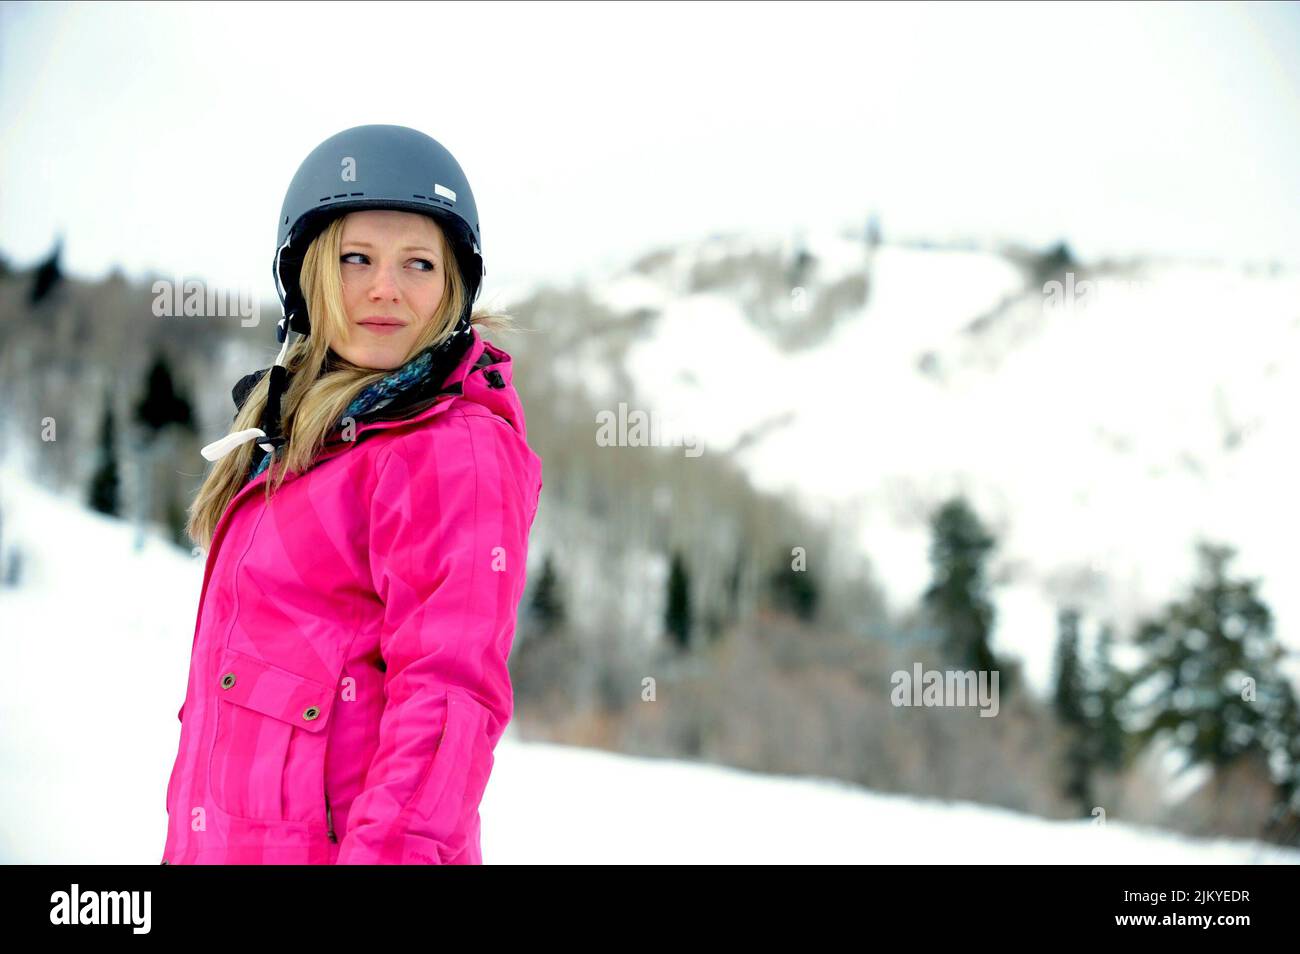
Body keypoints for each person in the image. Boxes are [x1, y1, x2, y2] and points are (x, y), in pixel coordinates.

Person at [161, 125, 543, 864]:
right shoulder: (308, 433)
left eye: (419, 264)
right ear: (307, 276)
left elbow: (446, 703)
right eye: (357, 258)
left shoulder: (449, 447)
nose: (386, 288)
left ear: (453, 287)